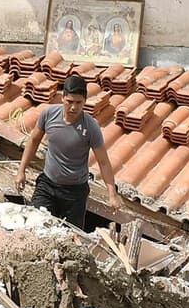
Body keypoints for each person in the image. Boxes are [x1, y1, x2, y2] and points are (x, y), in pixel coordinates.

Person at [15, 74, 122, 230]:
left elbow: (103, 162)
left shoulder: (90, 127)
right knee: (35, 226)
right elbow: (33, 141)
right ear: (62, 98)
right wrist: (21, 170)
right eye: (69, 102)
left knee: (71, 236)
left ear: (85, 101)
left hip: (75, 193)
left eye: (78, 103)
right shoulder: (48, 114)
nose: (73, 107)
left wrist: (112, 194)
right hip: (47, 185)